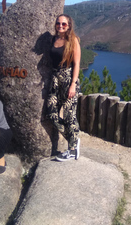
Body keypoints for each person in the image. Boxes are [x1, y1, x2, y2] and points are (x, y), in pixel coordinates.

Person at [47, 14, 81, 161]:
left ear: (69, 26)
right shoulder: (53, 40)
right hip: (55, 80)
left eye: (64, 24)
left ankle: (72, 150)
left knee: (69, 115)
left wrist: (73, 85)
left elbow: (77, 64)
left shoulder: (73, 41)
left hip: (68, 80)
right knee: (51, 114)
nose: (60, 26)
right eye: (58, 24)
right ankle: (74, 140)